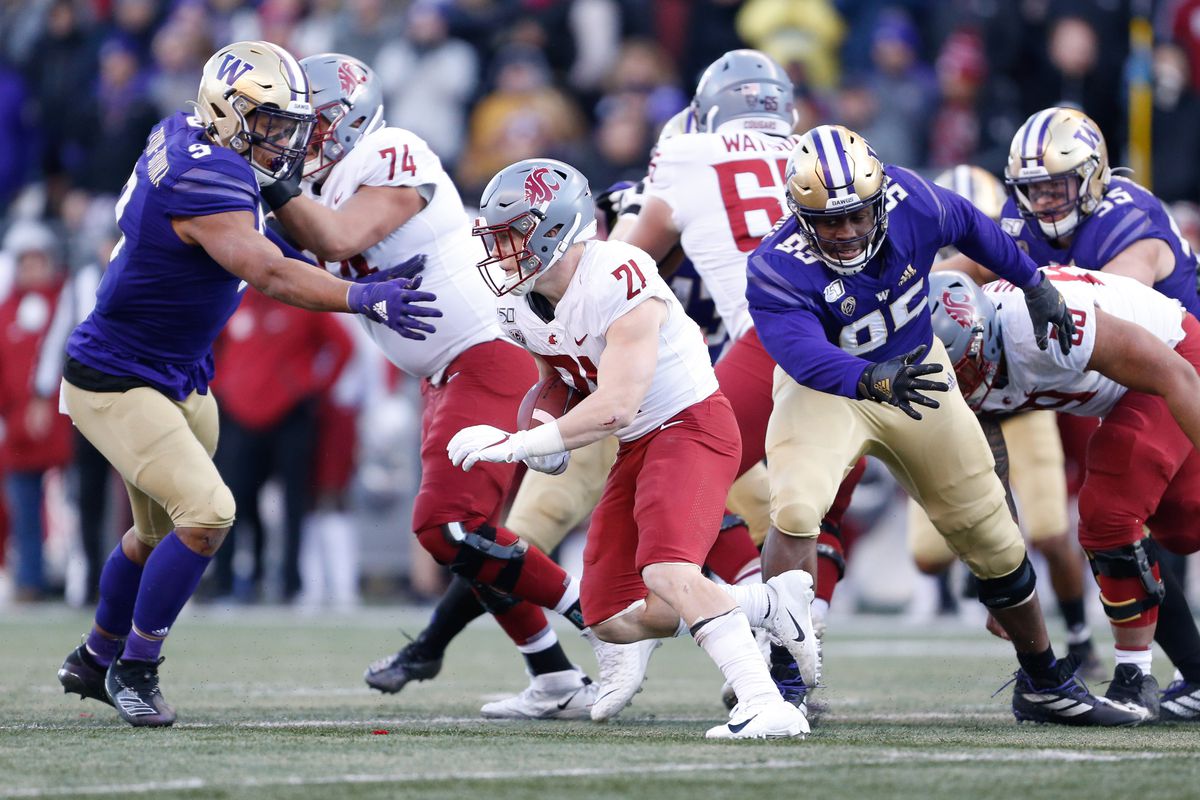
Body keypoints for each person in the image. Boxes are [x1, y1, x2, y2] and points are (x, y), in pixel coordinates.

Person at [55, 40, 440, 728]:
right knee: (208, 515)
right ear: (225, 111)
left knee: (153, 537)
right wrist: (362, 299)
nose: (284, 138)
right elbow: (266, 269)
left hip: (179, 374)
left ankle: (94, 657)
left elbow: (265, 237)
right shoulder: (205, 178)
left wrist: (355, 277)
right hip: (116, 377)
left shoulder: (192, 138)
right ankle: (136, 668)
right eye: (269, 122)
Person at [265, 53, 651, 722]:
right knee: (472, 537)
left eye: (313, 123)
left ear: (350, 120)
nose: (299, 137)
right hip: (445, 371)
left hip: (487, 353)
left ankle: (596, 619)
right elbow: (294, 271)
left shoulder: (390, 151)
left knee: (449, 526)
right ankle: (554, 676)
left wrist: (266, 184)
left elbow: (336, 235)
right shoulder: (320, 186)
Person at [745, 122, 1142, 726]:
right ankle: (783, 679)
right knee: (795, 509)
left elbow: (974, 226)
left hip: (918, 372)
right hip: (826, 386)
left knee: (992, 533)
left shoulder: (913, 202)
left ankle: (1043, 679)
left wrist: (1033, 282)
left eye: (857, 215)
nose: (848, 232)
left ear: (879, 198)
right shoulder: (775, 266)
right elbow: (801, 354)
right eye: (830, 221)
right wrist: (870, 381)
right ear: (801, 217)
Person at [447, 157, 818, 739]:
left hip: (692, 425)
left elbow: (616, 403)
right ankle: (767, 605)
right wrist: (544, 420)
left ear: (553, 228)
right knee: (607, 617)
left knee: (669, 570)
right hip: (638, 442)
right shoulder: (519, 300)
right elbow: (560, 378)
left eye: (511, 234)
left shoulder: (619, 271)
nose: (501, 250)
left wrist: (521, 443)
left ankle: (764, 702)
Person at [617, 51, 867, 701]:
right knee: (817, 507)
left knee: (674, 482)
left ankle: (755, 620)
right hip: (873, 337)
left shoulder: (687, 154)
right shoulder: (827, 151)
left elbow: (623, 265)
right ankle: (1048, 665)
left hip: (775, 339)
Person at [929, 267, 1200, 722]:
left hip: (1175, 360)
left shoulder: (1042, 325)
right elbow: (989, 473)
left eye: (967, 366)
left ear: (986, 334)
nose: (965, 383)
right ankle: (1196, 676)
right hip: (1120, 391)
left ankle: (1134, 681)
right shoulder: (946, 369)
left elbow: (1174, 373)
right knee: (1182, 528)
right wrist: (1002, 580)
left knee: (1108, 514)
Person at [908, 164, 1099, 675]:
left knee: (1052, 531)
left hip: (1016, 396)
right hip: (958, 404)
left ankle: (1079, 637)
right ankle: (981, 584)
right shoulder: (917, 261)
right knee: (926, 555)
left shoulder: (1011, 247)